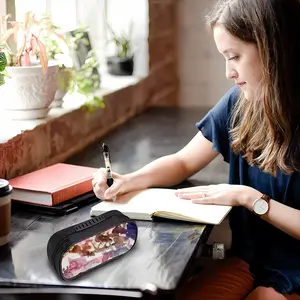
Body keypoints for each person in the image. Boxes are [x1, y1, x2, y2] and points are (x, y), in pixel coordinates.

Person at [92, 0, 300, 299]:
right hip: (248, 261)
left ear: (272, 48)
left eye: (235, 57)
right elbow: (182, 161)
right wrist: (129, 180)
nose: (229, 72)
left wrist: (249, 197)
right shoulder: (238, 103)